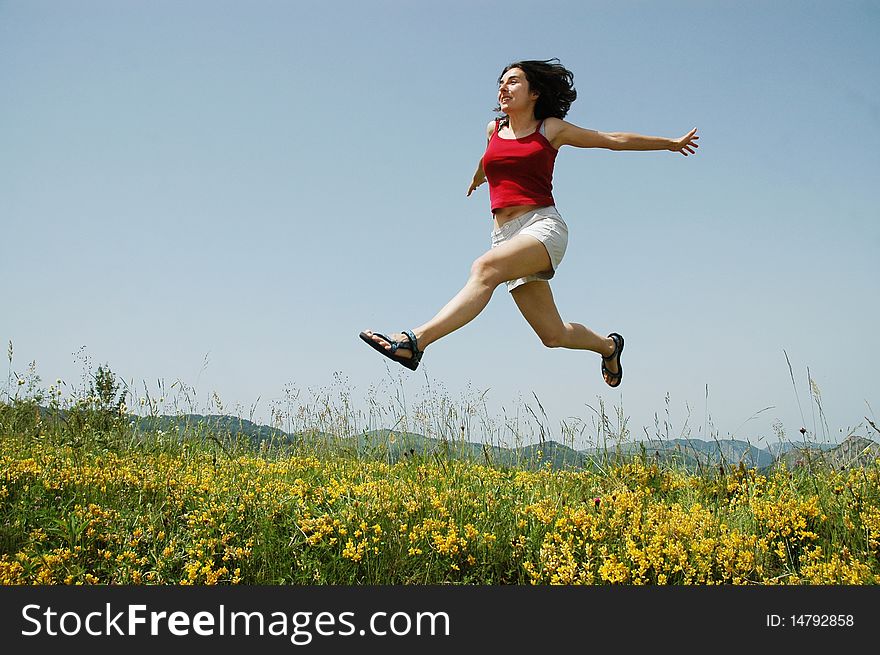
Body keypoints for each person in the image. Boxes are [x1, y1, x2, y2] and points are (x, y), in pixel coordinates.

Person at [360, 58, 698, 387]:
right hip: (504, 237)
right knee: (553, 335)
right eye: (501, 84)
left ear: (533, 92)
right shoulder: (494, 130)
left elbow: (612, 140)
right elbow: (488, 157)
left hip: (541, 226)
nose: (503, 89)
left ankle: (415, 342)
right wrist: (478, 177)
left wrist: (670, 144)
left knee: (484, 269)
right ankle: (610, 347)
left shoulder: (549, 129)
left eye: (513, 81)